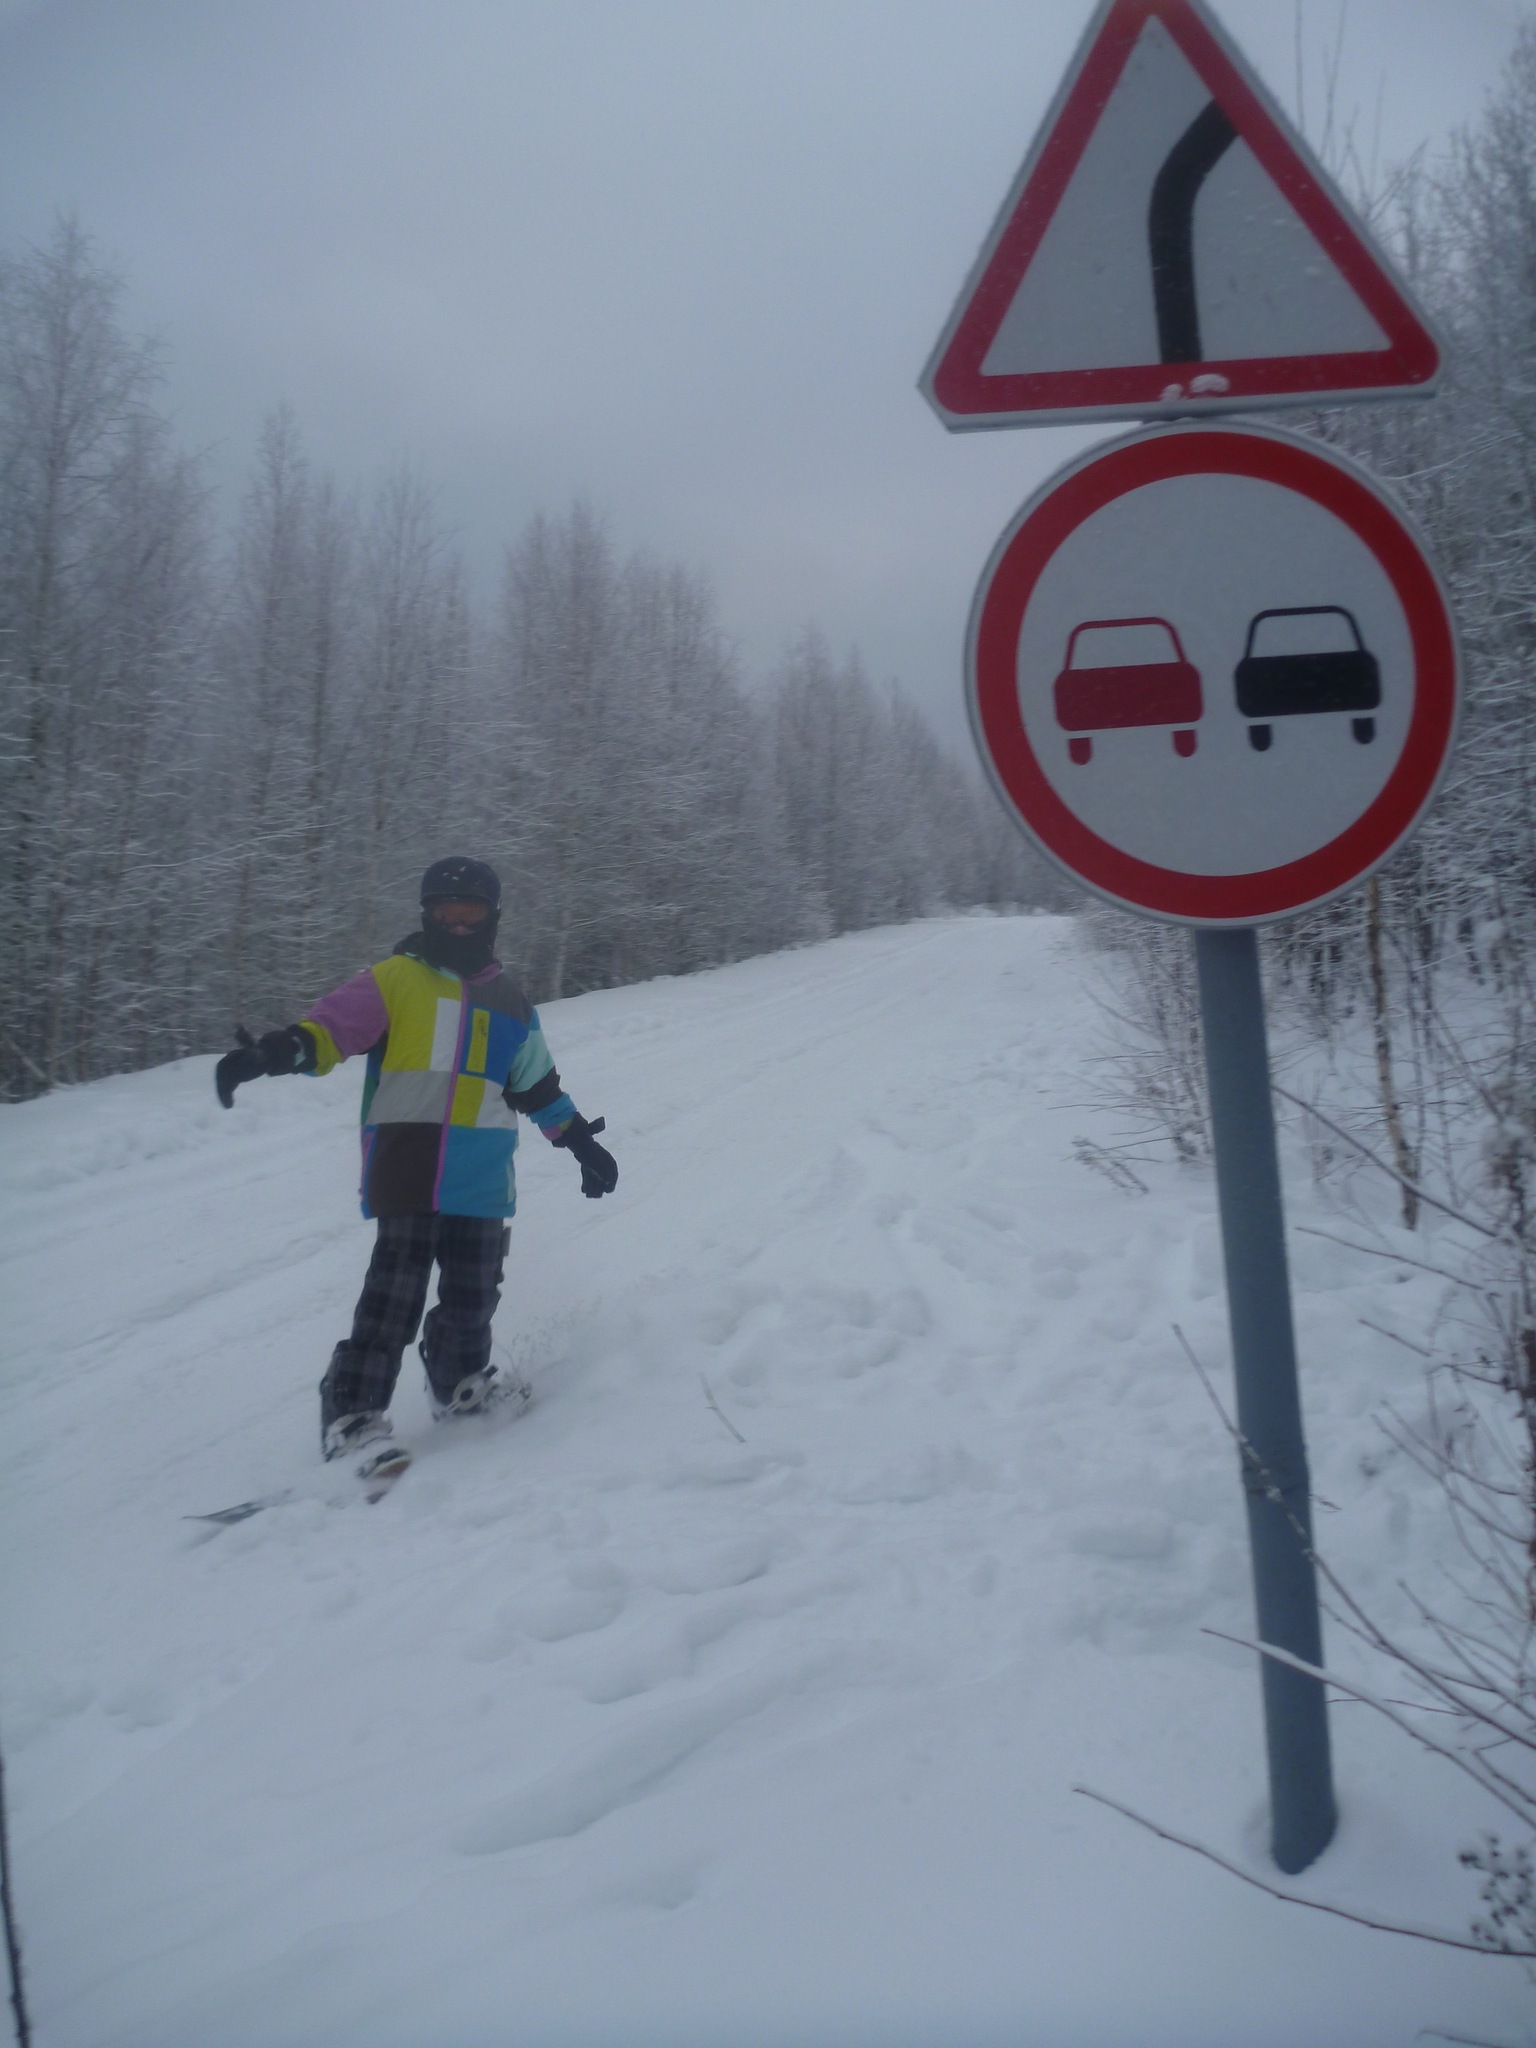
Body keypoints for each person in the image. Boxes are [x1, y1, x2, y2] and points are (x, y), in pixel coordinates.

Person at [213, 855, 617, 1487]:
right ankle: (352, 1413)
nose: (457, 925)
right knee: (392, 1297)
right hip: (408, 1164)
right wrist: (273, 1052)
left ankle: (459, 1381)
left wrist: (578, 1141)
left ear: (491, 917)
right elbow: (328, 1031)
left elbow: (535, 1085)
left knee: (474, 1292)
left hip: (482, 1174)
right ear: (427, 914)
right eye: (444, 912)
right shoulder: (395, 979)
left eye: (469, 912)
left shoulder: (512, 1002)